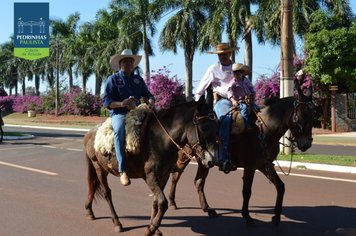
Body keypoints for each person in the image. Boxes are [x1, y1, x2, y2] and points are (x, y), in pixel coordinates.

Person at [103, 49, 155, 186]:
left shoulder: (138, 79)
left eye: (131, 61)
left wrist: (151, 101)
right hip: (119, 113)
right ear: (120, 64)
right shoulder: (113, 79)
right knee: (119, 130)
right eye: (126, 61)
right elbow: (106, 102)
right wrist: (121, 103)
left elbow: (147, 94)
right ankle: (122, 169)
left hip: (137, 111)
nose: (129, 63)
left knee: (157, 125)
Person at [194, 43, 239, 172]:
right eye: (220, 55)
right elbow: (200, 89)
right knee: (226, 120)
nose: (222, 57)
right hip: (223, 101)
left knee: (258, 116)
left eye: (225, 54)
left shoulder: (236, 67)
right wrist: (198, 106)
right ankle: (223, 158)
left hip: (239, 100)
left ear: (230, 54)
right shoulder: (213, 69)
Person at [228, 63, 260, 130]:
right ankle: (247, 126)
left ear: (242, 72)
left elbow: (251, 88)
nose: (236, 74)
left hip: (249, 99)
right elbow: (229, 92)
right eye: (235, 73)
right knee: (244, 110)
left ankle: (259, 124)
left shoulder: (246, 80)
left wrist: (253, 94)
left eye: (238, 73)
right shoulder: (232, 82)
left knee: (257, 108)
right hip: (240, 101)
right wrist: (233, 100)